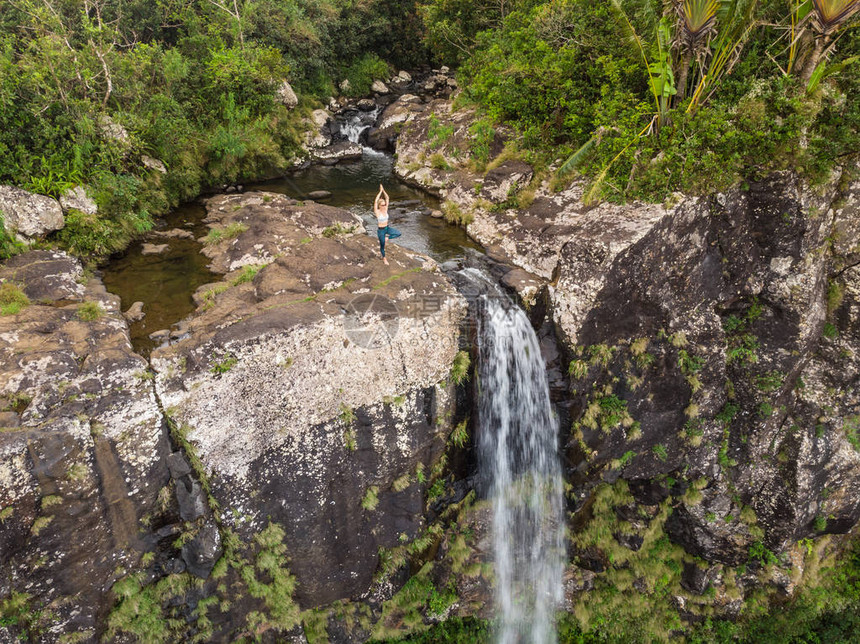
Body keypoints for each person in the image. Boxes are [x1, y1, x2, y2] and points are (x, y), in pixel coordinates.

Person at [374, 184, 401, 265]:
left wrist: (383, 190)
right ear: (379, 205)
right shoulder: (377, 212)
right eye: (382, 205)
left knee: (398, 233)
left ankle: (387, 238)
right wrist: (379, 192)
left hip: (387, 228)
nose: (384, 205)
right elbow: (375, 201)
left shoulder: (385, 209)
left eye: (385, 204)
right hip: (381, 231)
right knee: (382, 246)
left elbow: (387, 198)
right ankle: (384, 258)